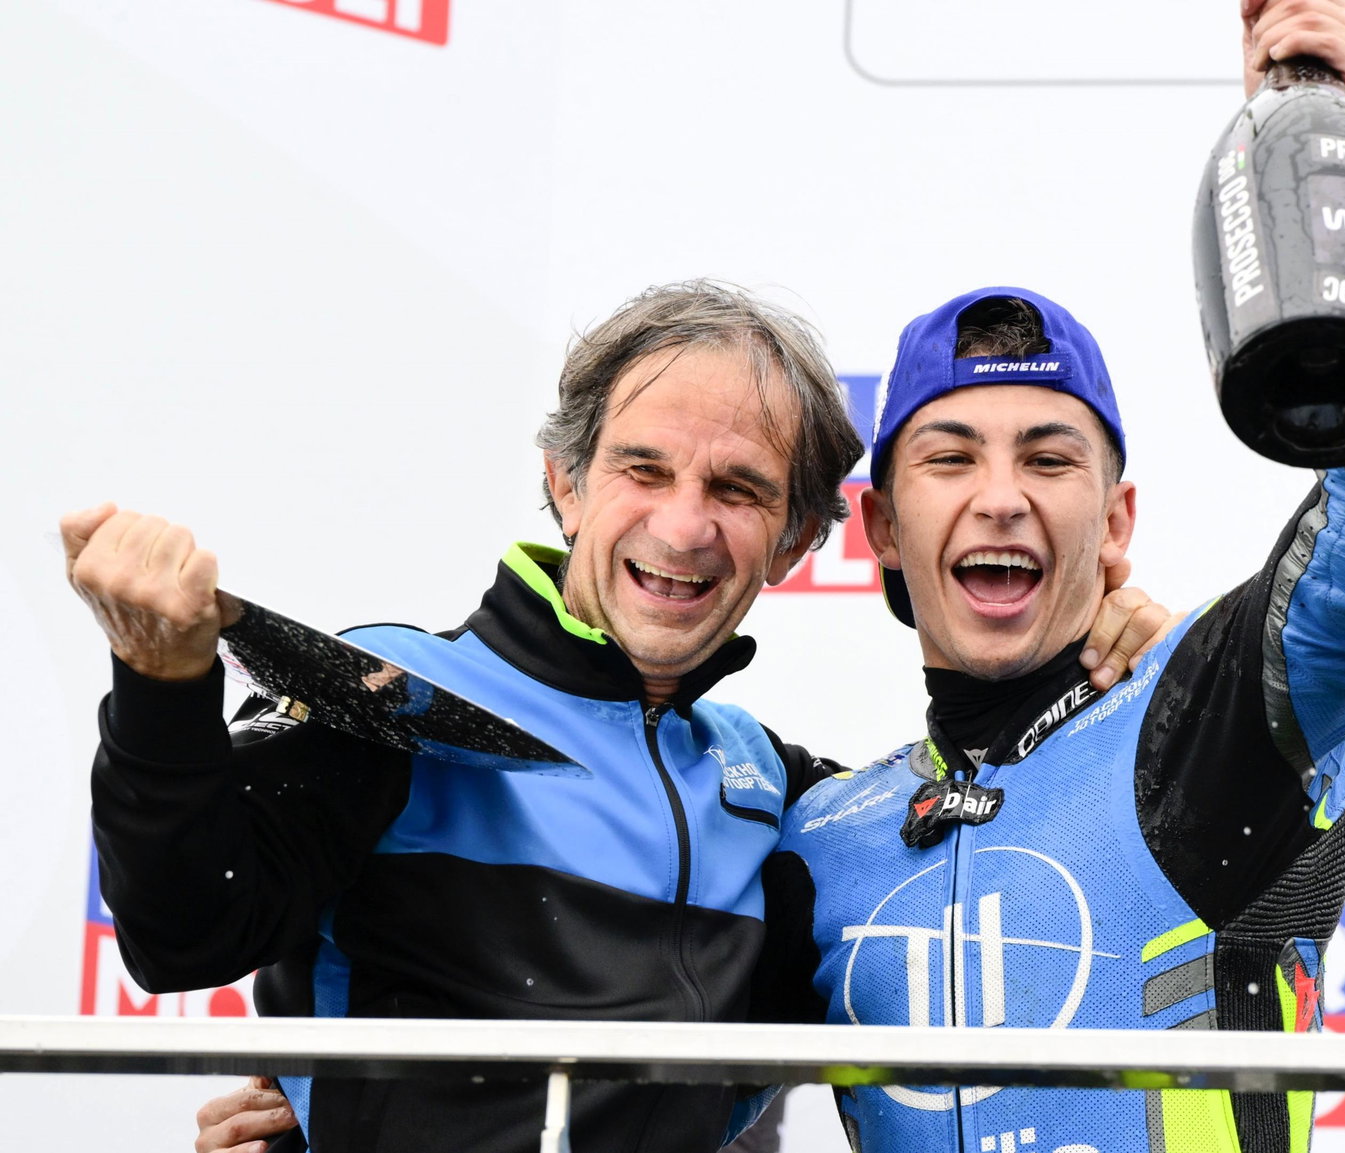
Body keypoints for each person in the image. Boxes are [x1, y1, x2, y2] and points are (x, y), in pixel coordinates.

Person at [65, 281, 1167, 1153]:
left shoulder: (779, 794)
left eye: (736, 489)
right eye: (643, 469)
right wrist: (161, 685)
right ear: (566, 483)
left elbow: (993, 839)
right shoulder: (393, 696)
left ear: (792, 542)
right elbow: (180, 930)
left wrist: (1113, 655)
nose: (684, 526)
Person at [760, 57, 1345, 1153]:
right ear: (881, 527)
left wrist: (1316, 142)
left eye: (1048, 457)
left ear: (1115, 522)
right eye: (950, 456)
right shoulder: (815, 833)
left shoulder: (1214, 711)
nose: (1002, 497)